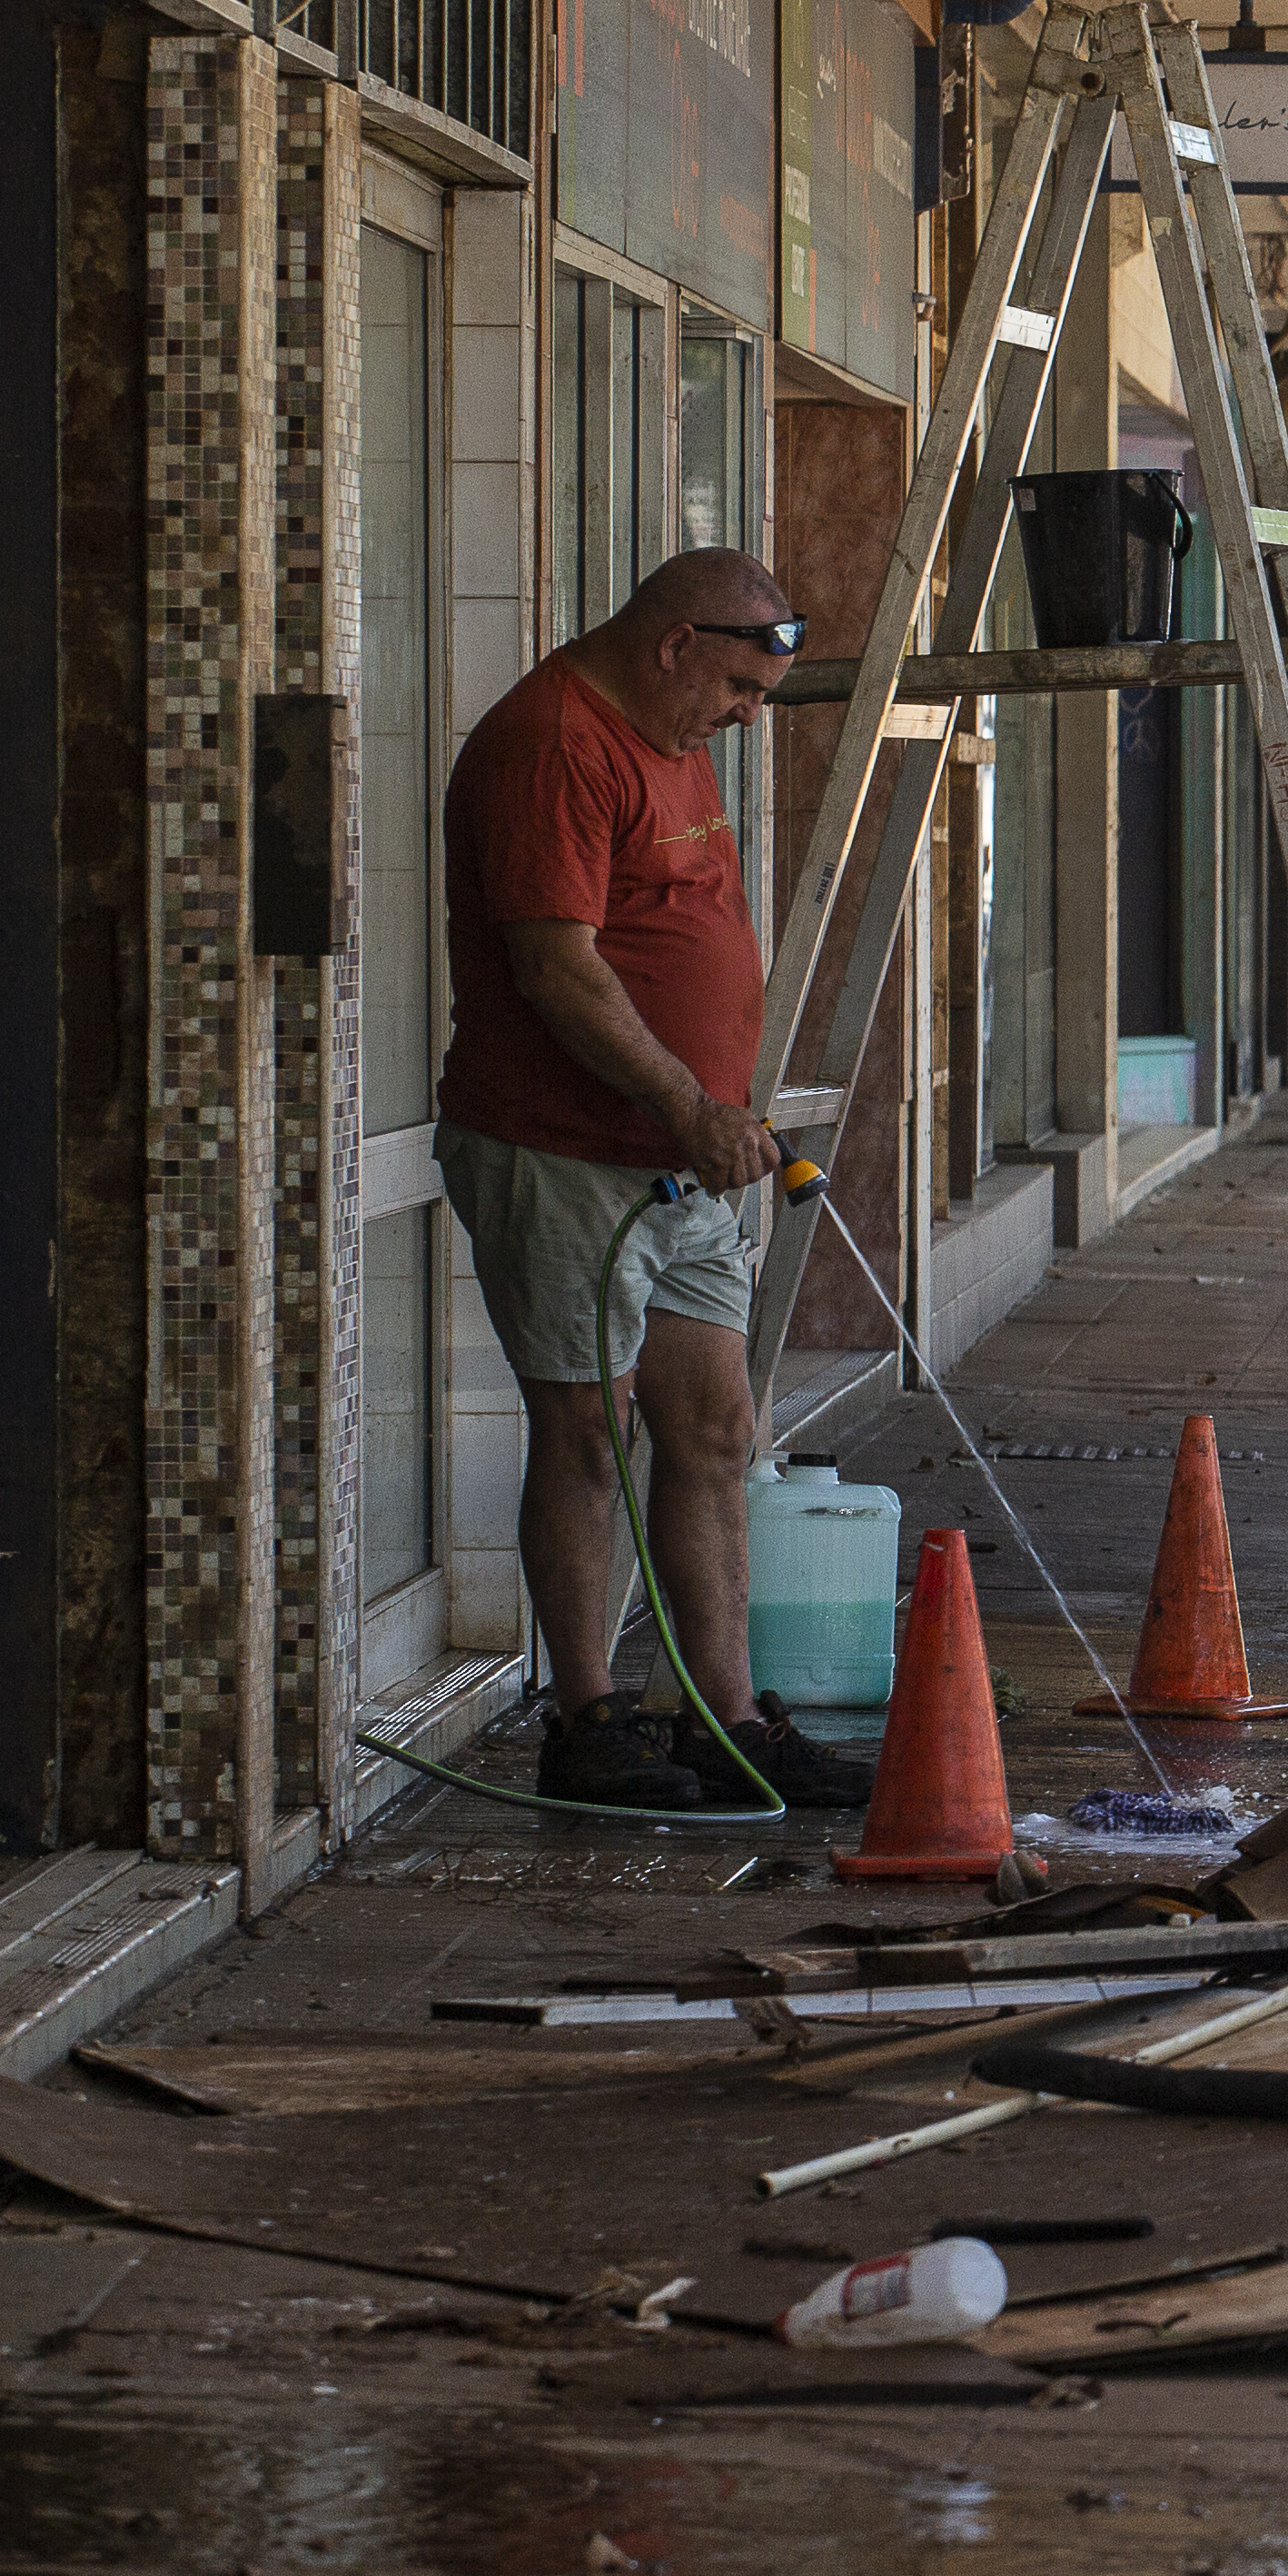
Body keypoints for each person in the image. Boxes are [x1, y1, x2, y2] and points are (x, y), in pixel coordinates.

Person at [432, 549, 880, 1813]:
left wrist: (706, 1103)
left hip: (681, 1166)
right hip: (564, 1154)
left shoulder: (676, 735)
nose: (746, 719)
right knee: (588, 1434)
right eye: (739, 687)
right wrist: (685, 1098)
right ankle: (589, 1723)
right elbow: (558, 968)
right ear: (677, 643)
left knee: (717, 1430)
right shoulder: (554, 744)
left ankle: (729, 1721)